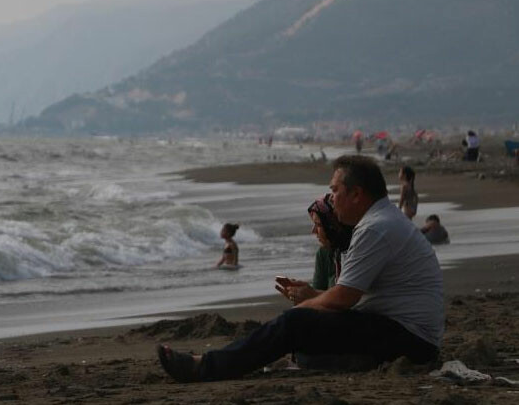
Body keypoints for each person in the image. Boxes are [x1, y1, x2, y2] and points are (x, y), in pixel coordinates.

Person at [157, 155, 443, 382]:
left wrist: (303, 308)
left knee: (294, 323)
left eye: (335, 190)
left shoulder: (375, 228)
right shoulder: (383, 220)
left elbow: (344, 298)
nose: (331, 198)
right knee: (303, 338)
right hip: (409, 334)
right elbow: (348, 297)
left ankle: (205, 366)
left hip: (411, 339)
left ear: (356, 194)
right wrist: (313, 299)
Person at [279, 194, 353, 305]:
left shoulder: (356, 250)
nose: (313, 231)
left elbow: (351, 300)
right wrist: (299, 296)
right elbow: (316, 296)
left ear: (332, 226)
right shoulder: (324, 253)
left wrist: (312, 295)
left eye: (318, 224)